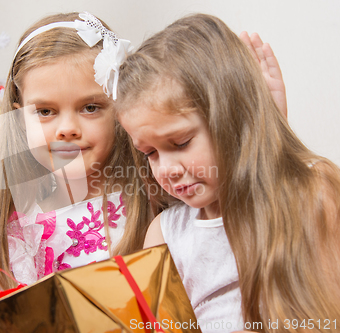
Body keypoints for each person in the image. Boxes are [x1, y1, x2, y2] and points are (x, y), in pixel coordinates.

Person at [116, 13, 340, 333]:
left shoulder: (314, 194)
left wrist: (266, 140)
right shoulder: (164, 234)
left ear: (235, 119)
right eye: (149, 153)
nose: (166, 170)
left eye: (180, 143)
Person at [0, 12, 156, 289]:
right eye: (45, 111)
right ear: (20, 119)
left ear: (121, 107)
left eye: (90, 107)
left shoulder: (157, 197)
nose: (67, 129)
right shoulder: (23, 234)